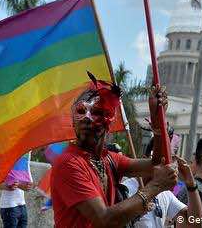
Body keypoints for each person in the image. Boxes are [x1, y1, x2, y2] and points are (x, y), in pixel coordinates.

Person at [51, 78, 178, 228]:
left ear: (109, 122)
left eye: (96, 112)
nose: (86, 118)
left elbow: (157, 163)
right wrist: (155, 186)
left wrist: (157, 124)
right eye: (80, 111)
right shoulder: (69, 162)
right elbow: (104, 219)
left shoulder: (109, 159)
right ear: (73, 121)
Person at [122, 137, 202, 228]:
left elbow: (195, 224)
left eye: (170, 160)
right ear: (145, 160)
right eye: (162, 160)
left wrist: (191, 184)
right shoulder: (126, 189)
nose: (168, 166)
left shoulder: (165, 193)